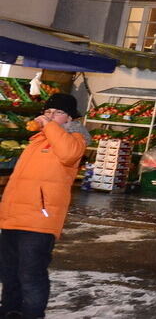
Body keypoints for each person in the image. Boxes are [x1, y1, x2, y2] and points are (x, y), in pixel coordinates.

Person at [0, 94, 89, 319]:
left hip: (39, 221)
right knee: (9, 274)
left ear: (69, 118)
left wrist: (49, 126)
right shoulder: (36, 141)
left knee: (31, 276)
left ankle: (32, 314)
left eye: (57, 113)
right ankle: (10, 311)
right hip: (13, 217)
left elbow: (68, 154)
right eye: (47, 112)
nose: (49, 116)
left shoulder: (75, 139)